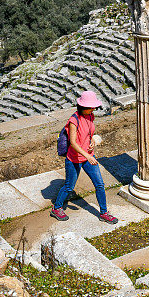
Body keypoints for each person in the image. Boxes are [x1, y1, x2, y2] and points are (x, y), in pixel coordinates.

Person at [50, 91, 118, 224]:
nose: (93, 109)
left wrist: (92, 140)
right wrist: (87, 155)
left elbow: (88, 133)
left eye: (94, 107)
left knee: (99, 184)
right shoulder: (73, 120)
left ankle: (104, 212)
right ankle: (57, 208)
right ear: (83, 107)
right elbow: (73, 143)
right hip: (74, 159)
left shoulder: (90, 116)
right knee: (69, 186)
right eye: (91, 107)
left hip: (88, 156)